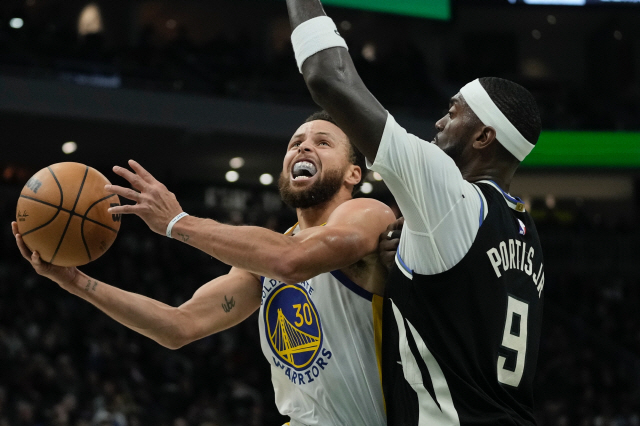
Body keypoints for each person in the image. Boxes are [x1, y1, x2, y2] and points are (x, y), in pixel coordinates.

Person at [12, 111, 396, 426]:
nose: (304, 146)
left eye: (323, 142)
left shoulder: (367, 215)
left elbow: (292, 261)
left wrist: (177, 222)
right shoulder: (264, 262)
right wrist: (76, 281)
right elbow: (178, 326)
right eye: (296, 142)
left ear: (353, 173)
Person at [283, 1, 545, 424]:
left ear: (483, 137)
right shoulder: (522, 230)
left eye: (453, 112)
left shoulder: (451, 195)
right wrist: (408, 272)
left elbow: (326, 77)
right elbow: (461, 316)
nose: (440, 122)